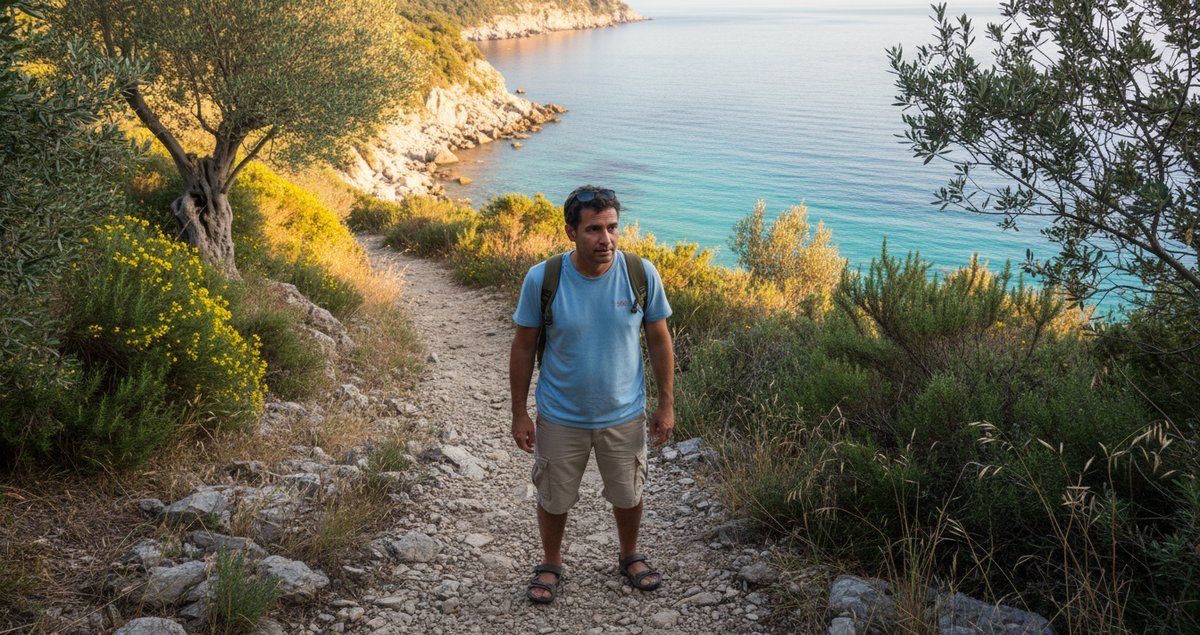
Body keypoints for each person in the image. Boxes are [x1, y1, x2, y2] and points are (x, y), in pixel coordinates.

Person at [509, 185, 675, 604]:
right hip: (560, 415)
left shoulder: (640, 273)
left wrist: (666, 403)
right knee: (553, 495)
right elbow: (524, 345)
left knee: (629, 491)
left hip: (624, 414)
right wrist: (519, 412)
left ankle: (630, 555)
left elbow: (659, 339)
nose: (606, 239)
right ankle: (550, 562)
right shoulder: (543, 278)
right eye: (594, 229)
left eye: (613, 227)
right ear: (571, 232)